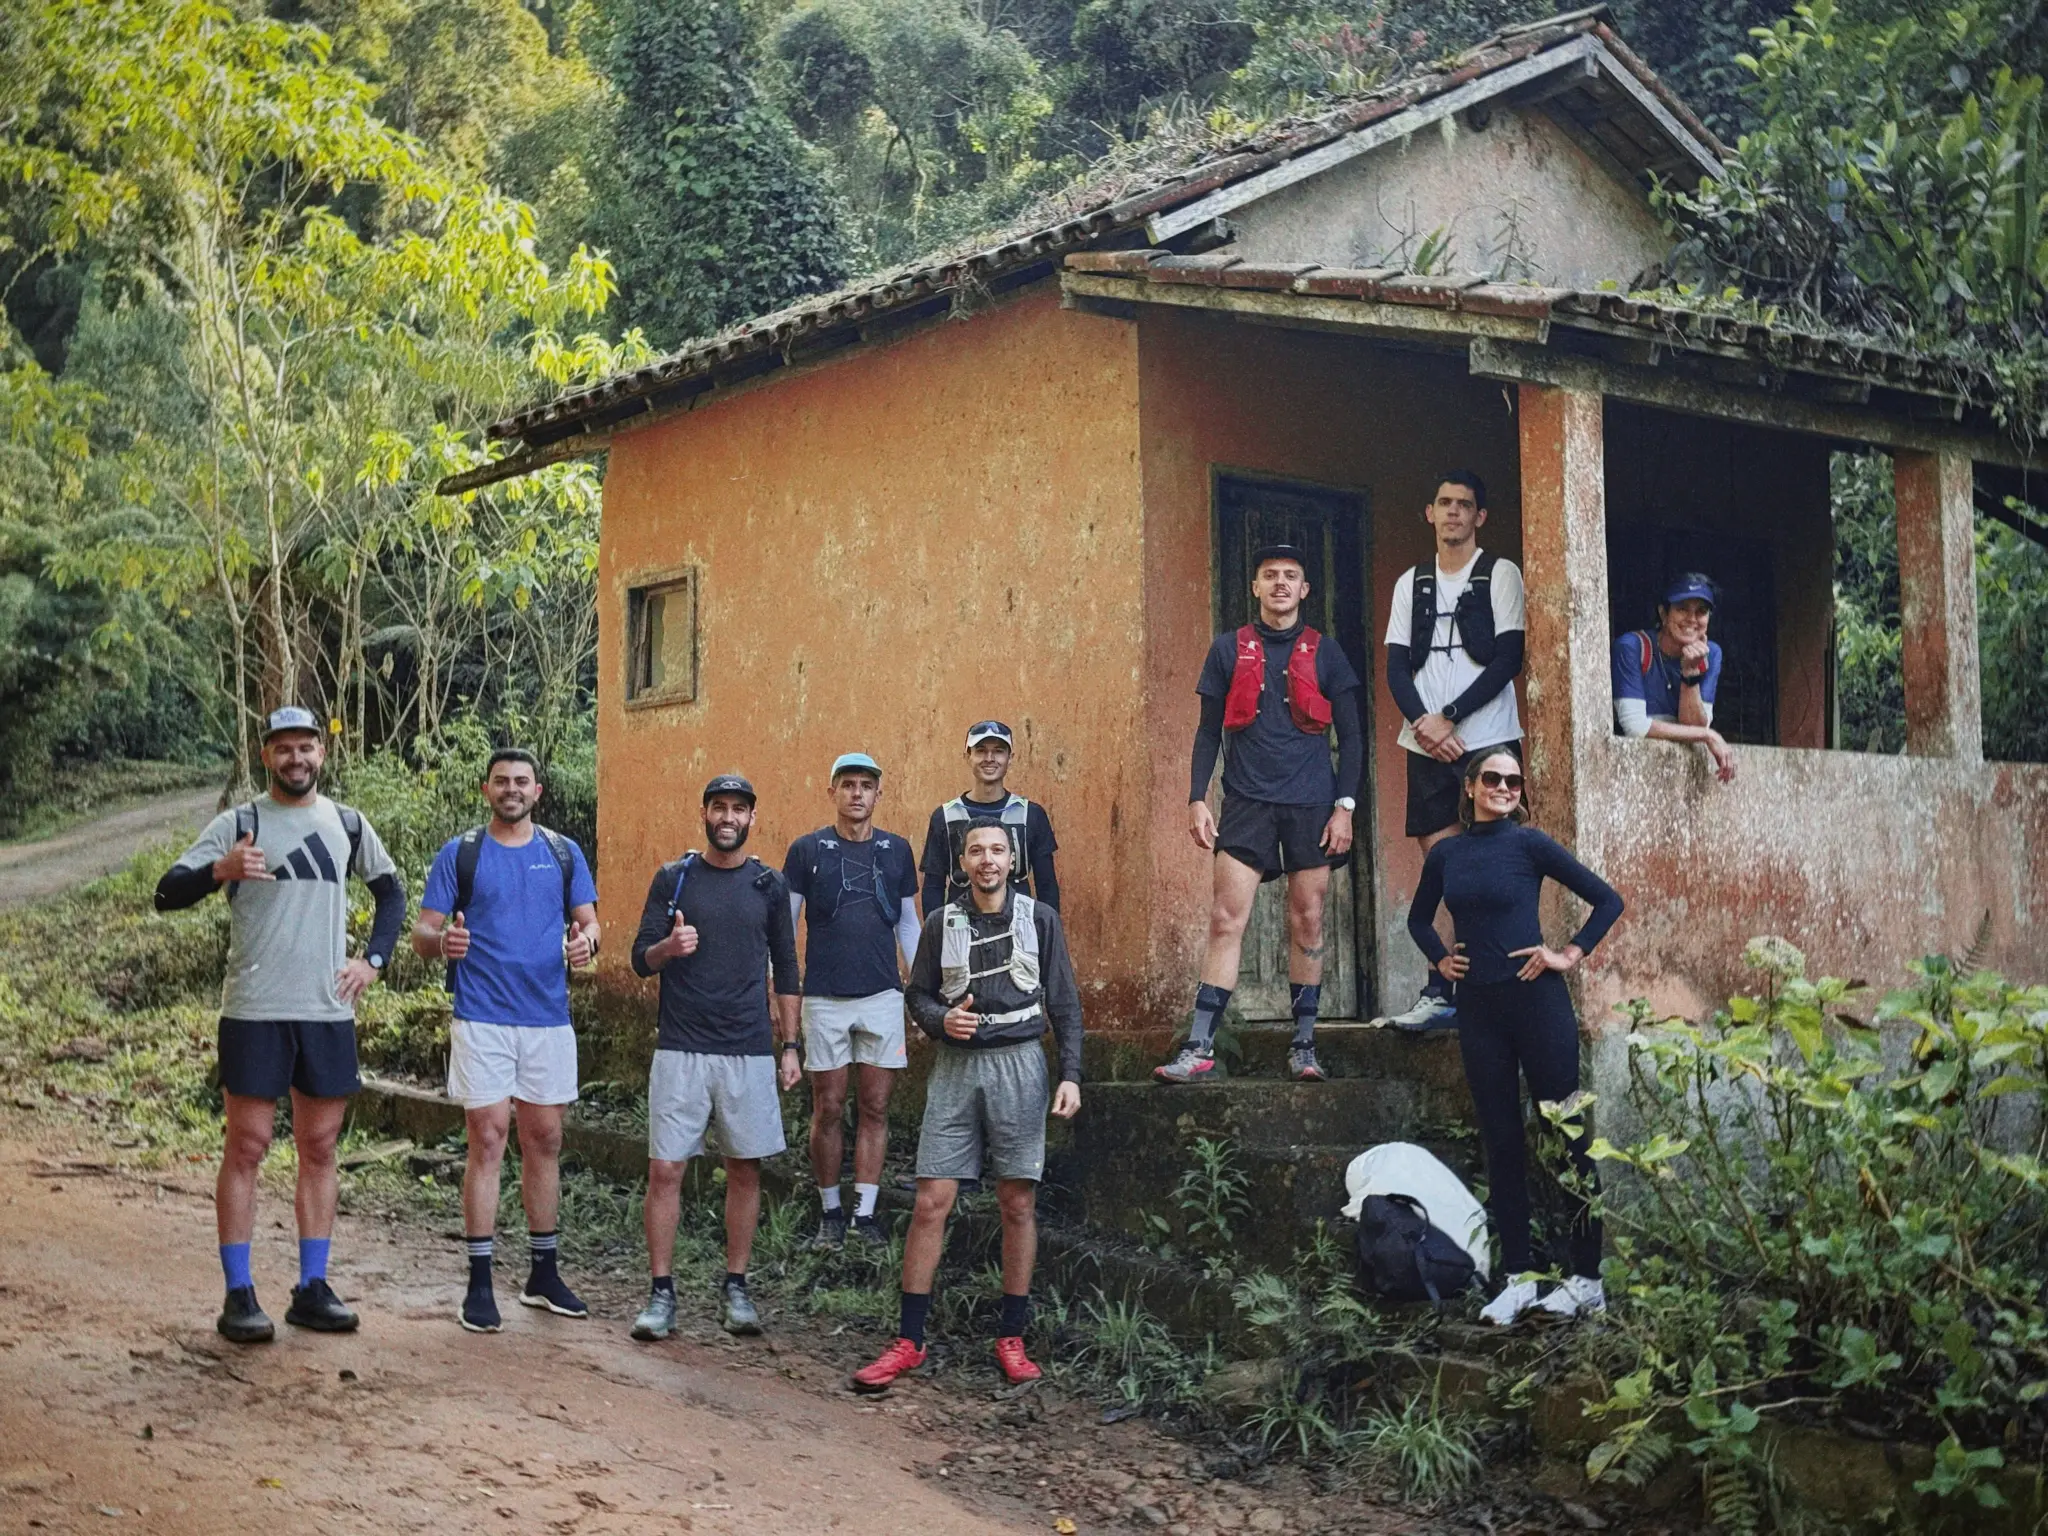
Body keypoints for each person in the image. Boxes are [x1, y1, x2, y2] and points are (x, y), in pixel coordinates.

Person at [153, 706, 405, 1344]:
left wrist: (373, 961)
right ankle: (239, 1293)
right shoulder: (240, 823)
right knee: (248, 1145)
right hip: (255, 1010)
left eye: (306, 747)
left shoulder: (348, 824)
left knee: (320, 1147)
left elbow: (392, 892)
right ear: (266, 755)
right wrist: (221, 871)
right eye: (284, 748)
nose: (297, 758)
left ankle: (312, 1287)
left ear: (322, 752)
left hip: (326, 1010)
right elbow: (165, 892)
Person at [849, 823, 1084, 1390]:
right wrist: (940, 1020)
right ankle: (909, 1340)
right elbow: (918, 994)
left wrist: (1071, 1076)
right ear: (963, 862)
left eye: (998, 850)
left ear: (1013, 861)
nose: (987, 860)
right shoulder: (941, 922)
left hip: (1021, 1064)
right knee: (931, 1200)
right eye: (976, 850)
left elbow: (1065, 1004)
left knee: (1017, 1202)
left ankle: (1011, 1336)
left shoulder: (1040, 919)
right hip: (956, 1068)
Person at [1405, 751, 1623, 1326]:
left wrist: (1568, 954)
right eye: (1492, 778)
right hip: (1479, 1010)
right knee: (1501, 1142)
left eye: (1513, 780)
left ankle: (1587, 1280)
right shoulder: (1448, 854)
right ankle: (1519, 1280)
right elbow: (1419, 919)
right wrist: (1441, 960)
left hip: (1538, 1005)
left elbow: (1608, 900)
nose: (1504, 787)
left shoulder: (1530, 844)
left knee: (1568, 1136)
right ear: (1470, 787)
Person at [1156, 543, 1363, 1085]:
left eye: (1290, 575)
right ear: (1255, 587)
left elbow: (1353, 737)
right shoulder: (1228, 649)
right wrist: (1197, 798)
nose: (1280, 583)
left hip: (1312, 803)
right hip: (1246, 801)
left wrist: (1344, 807)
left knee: (1308, 917)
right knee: (1226, 918)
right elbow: (1207, 731)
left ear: (1304, 589)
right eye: (1270, 575)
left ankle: (1304, 1045)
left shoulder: (1326, 652)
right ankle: (1200, 1046)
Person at [414, 748, 601, 1333]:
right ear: (486, 789)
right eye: (501, 781)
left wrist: (587, 943)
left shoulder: (563, 852)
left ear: (538, 791)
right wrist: (441, 943)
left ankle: (543, 1276)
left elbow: (590, 922)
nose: (512, 789)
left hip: (547, 1017)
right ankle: (479, 1283)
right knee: (488, 1139)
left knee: (544, 1139)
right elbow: (422, 932)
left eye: (522, 781)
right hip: (482, 1017)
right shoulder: (461, 852)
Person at [627, 774, 801, 1341]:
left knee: (744, 1168)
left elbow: (787, 967)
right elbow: (639, 959)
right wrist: (669, 947)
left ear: (752, 818)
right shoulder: (674, 878)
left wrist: (791, 1045)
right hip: (680, 1047)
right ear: (704, 813)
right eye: (719, 807)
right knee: (665, 1169)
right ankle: (661, 1292)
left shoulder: (769, 885)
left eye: (738, 809)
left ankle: (736, 1286)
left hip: (747, 1049)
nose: (728, 817)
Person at [1380, 471, 1527, 1033]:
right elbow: (1396, 665)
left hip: (1486, 736)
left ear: (1479, 516)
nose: (1453, 513)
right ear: (1430, 512)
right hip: (1424, 741)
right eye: (1444, 503)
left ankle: (1494, 986)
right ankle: (1440, 989)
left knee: (1495, 865)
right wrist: (1424, 724)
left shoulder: (1499, 572)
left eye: (1464, 505)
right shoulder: (1411, 581)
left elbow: (1508, 657)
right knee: (1440, 867)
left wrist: (1451, 717)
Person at [783, 752, 923, 1250]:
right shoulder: (806, 850)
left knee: (876, 1106)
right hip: (824, 997)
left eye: (866, 785)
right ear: (832, 792)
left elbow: (908, 923)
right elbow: (785, 929)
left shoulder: (897, 850)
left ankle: (865, 1214)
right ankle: (830, 1212)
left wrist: (922, 987)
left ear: (879, 794)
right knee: (827, 1107)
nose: (857, 793)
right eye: (848, 784)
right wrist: (784, 998)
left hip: (883, 994)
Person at [919, 721, 1060, 914]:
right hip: (961, 924)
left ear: (1010, 758)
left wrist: (1048, 929)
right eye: (981, 751)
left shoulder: (1030, 815)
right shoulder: (945, 816)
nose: (989, 758)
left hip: (1017, 924)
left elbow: (1047, 885)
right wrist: (935, 929)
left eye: (998, 751)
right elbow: (933, 886)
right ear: (967, 756)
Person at [1612, 573, 1737, 783]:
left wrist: (1690, 674)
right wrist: (1709, 735)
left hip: (1677, 778)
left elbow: (1695, 725)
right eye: (1682, 609)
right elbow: (1635, 726)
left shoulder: (1711, 654)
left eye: (1701, 611)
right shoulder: (1632, 647)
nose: (1692, 619)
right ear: (1663, 613)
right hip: (1629, 772)